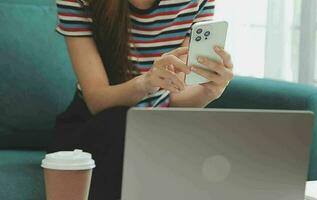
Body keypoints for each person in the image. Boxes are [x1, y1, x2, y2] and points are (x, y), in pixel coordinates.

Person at [48, 0, 234, 199]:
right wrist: (145, 83)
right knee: (121, 123)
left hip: (156, 129)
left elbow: (176, 97)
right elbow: (96, 101)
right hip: (94, 129)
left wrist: (210, 92)